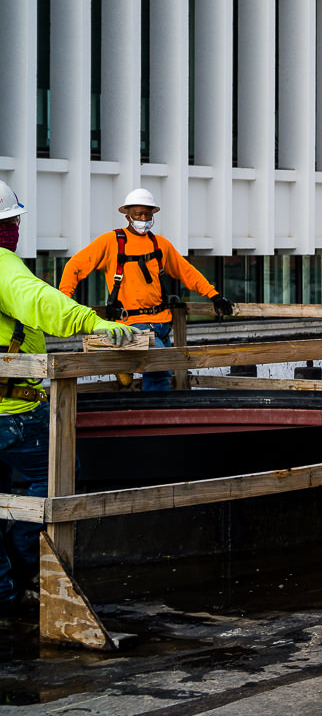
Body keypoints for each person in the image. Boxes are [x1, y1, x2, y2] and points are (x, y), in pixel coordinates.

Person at [0, 181, 135, 617]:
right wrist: (91, 322)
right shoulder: (3, 266)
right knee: (59, 481)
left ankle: (5, 592)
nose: (16, 229)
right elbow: (36, 299)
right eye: (13, 222)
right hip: (14, 411)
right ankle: (25, 565)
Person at [59, 189, 233, 390]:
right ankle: (156, 413)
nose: (143, 219)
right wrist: (64, 299)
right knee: (160, 371)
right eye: (138, 215)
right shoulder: (111, 242)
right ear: (127, 216)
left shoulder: (160, 245)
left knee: (161, 374)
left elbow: (187, 272)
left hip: (162, 324)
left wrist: (214, 295)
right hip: (132, 324)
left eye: (147, 214)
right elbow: (75, 266)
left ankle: (148, 406)